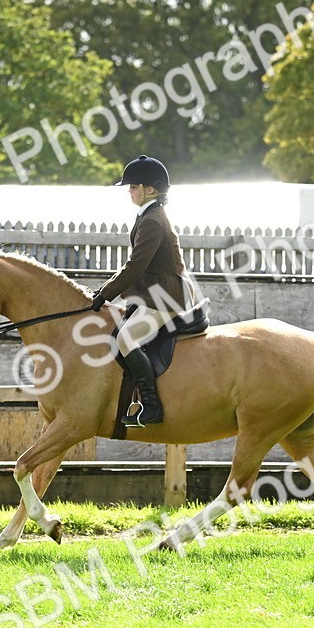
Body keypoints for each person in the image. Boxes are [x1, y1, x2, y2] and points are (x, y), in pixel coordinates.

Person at [91, 155, 188, 426]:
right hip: (153, 295)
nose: (129, 191)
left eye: (134, 186)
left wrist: (106, 293)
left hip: (165, 298)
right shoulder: (148, 215)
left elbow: (134, 267)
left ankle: (151, 406)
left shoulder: (153, 221)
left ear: (151, 189)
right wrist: (104, 289)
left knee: (125, 339)